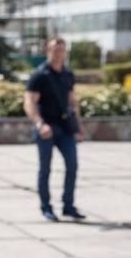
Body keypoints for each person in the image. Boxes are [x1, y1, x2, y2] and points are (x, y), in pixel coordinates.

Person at [23, 36, 86, 221]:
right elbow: (29, 102)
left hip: (65, 128)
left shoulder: (68, 74)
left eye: (61, 50)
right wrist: (39, 124)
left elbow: (72, 101)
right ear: (47, 51)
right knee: (45, 169)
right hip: (46, 129)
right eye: (54, 50)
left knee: (73, 166)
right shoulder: (39, 75)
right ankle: (46, 208)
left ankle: (68, 206)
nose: (58, 54)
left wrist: (79, 126)